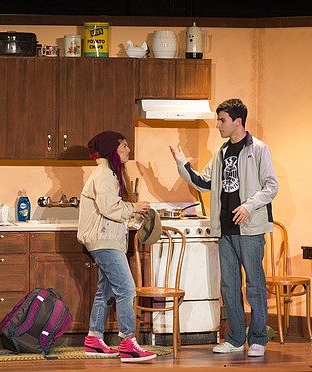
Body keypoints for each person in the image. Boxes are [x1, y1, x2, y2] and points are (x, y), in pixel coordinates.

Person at [169, 98, 278, 357]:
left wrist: (249, 206)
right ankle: (236, 338)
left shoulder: (259, 149)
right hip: (225, 229)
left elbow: (271, 186)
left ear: (237, 121)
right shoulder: (221, 153)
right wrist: (182, 164)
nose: (218, 125)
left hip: (250, 228)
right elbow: (204, 183)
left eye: (222, 120)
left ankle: (259, 339)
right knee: (229, 286)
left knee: (254, 285)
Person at [77, 131, 157, 362]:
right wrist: (134, 207)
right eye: (124, 146)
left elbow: (111, 208)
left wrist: (132, 210)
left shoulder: (107, 173)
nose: (128, 150)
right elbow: (109, 207)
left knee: (106, 291)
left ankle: (94, 340)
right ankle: (128, 343)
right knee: (127, 289)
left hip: (105, 240)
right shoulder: (103, 174)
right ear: (113, 149)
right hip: (104, 241)